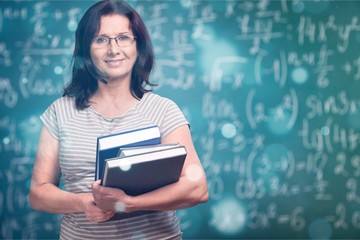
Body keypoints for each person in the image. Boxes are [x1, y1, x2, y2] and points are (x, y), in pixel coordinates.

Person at [29, 0, 209, 239]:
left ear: (138, 46)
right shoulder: (59, 112)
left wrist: (130, 203)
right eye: (101, 39)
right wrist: (85, 202)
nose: (113, 50)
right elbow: (38, 194)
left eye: (123, 38)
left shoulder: (164, 110)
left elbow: (197, 188)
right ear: (86, 50)